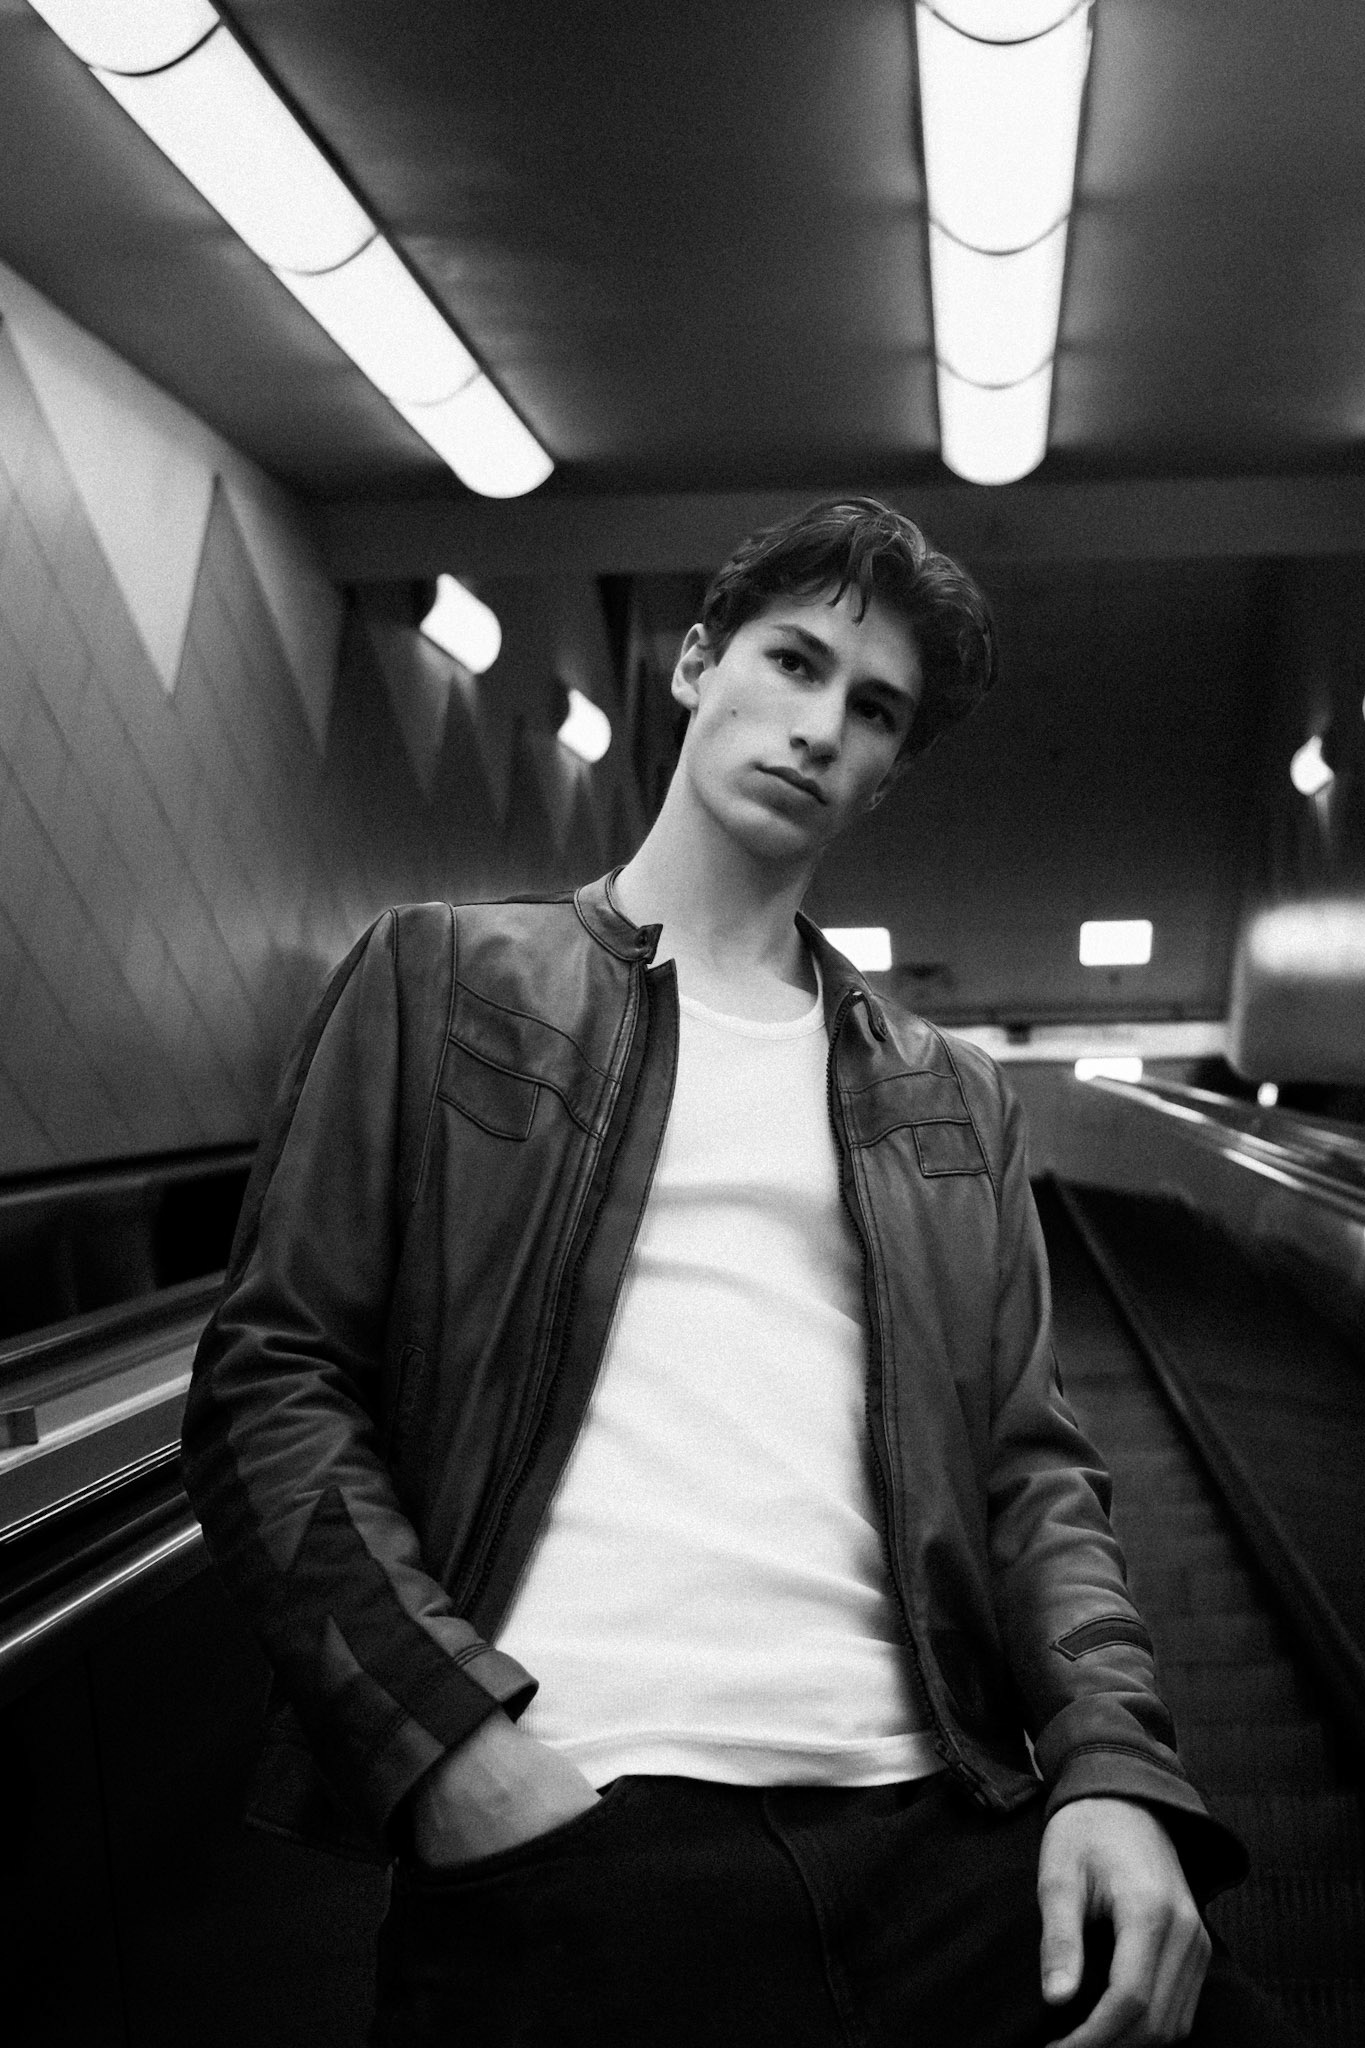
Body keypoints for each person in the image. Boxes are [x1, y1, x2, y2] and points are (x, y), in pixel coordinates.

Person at [183, 498, 1297, 2048]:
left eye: (876, 711)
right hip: (580, 1826)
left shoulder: (950, 1096)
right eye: (795, 661)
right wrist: (446, 1749)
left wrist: (1114, 1764)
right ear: (699, 663)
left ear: (889, 770)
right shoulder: (440, 978)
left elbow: (1032, 1476)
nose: (822, 726)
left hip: (942, 1829)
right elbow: (272, 1382)